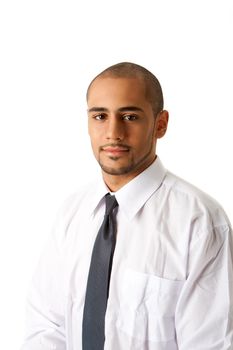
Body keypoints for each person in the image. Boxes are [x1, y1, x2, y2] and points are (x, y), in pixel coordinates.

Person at [21, 62, 233, 350]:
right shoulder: (72, 213)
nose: (113, 132)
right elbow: (46, 324)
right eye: (99, 116)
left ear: (160, 124)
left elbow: (210, 344)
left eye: (130, 116)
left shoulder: (199, 222)